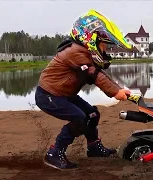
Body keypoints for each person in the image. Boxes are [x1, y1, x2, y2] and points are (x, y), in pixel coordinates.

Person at [35, 9, 132, 170]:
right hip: (48, 94)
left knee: (93, 114)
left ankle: (93, 147)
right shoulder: (75, 52)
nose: (105, 50)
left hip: (64, 94)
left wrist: (118, 89)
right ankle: (54, 152)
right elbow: (95, 75)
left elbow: (97, 73)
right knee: (79, 119)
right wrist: (116, 92)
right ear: (91, 39)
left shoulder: (83, 52)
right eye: (103, 46)